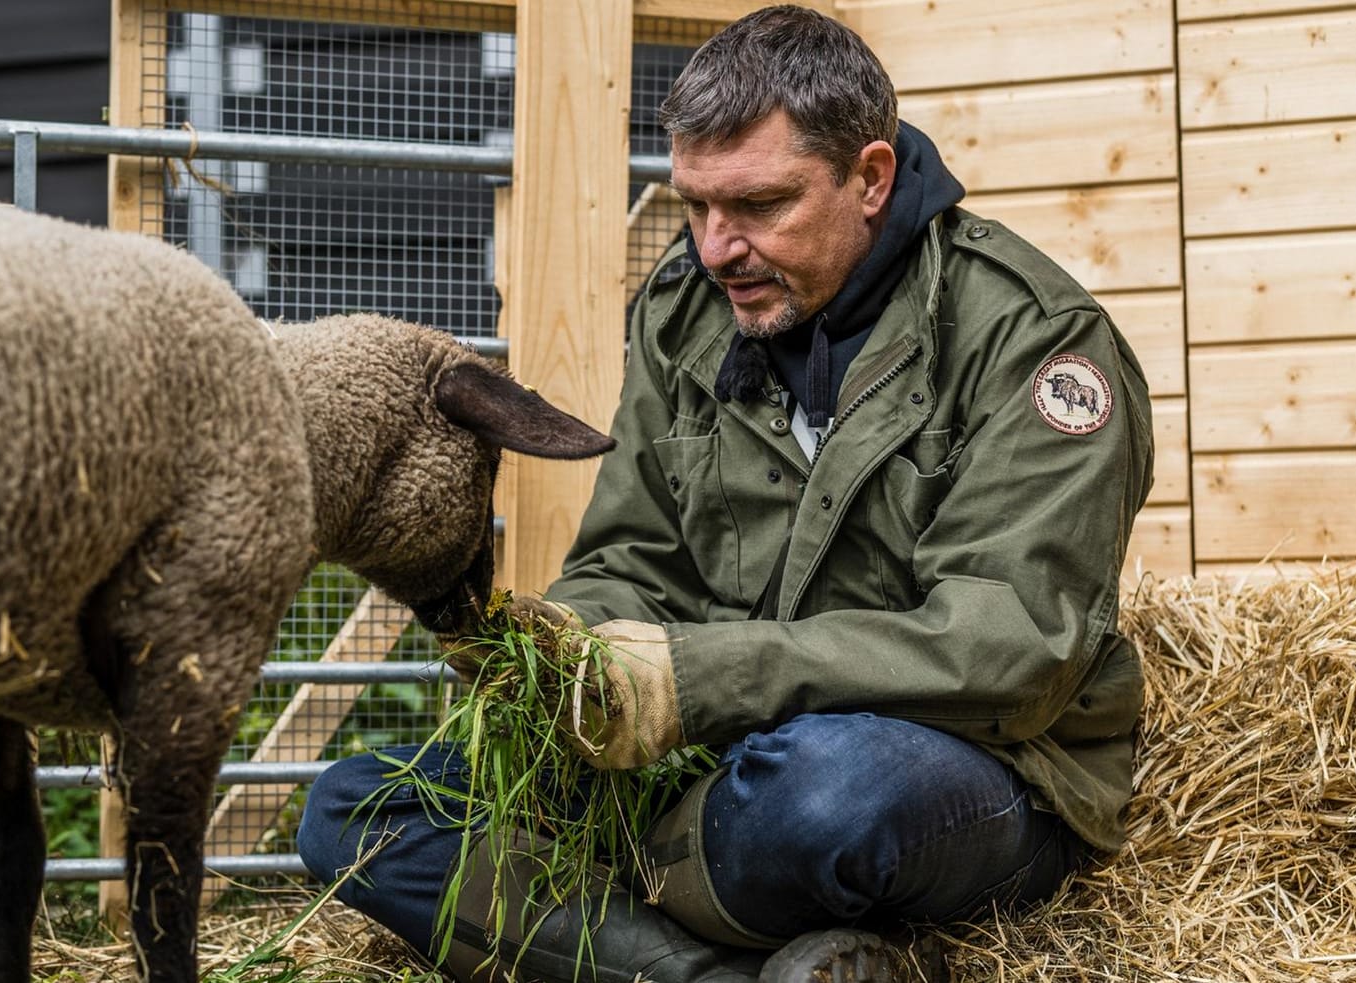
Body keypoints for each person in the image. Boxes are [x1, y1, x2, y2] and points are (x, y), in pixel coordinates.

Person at [298, 6, 1155, 982]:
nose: (714, 248)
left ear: (868, 179)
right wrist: (568, 655)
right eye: (694, 205)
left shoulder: (1029, 339)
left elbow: (1008, 644)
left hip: (960, 773)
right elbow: (633, 554)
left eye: (757, 205)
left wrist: (696, 680)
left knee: (824, 799)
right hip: (715, 759)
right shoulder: (685, 309)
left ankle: (636, 916)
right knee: (355, 810)